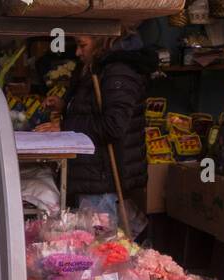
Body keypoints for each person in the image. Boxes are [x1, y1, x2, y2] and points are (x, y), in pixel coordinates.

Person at [35, 33, 158, 219]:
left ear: (102, 42)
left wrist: (66, 127)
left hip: (103, 180)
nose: (77, 52)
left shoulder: (118, 72)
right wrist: (65, 105)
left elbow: (113, 125)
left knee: (101, 243)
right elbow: (93, 111)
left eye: (82, 45)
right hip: (92, 176)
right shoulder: (94, 68)